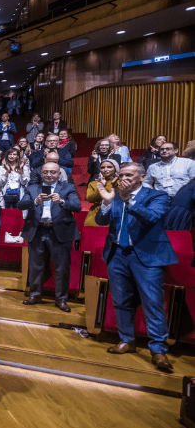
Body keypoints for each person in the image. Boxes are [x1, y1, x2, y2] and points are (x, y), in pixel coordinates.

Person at [96, 162, 177, 372]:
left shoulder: (157, 196)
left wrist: (128, 199)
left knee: (153, 302)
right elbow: (101, 221)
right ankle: (126, 340)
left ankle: (158, 350)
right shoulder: (115, 195)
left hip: (148, 255)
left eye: (129, 175)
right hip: (117, 254)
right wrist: (106, 202)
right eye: (121, 175)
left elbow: (152, 217)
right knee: (121, 300)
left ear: (142, 177)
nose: (123, 179)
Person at [17, 162, 81, 311]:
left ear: (59, 174)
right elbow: (21, 205)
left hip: (60, 232)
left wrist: (62, 201)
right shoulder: (33, 188)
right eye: (45, 172)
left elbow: (77, 206)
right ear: (41, 173)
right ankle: (35, 295)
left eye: (53, 172)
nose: (49, 175)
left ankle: (61, 300)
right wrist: (35, 201)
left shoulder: (68, 188)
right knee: (35, 266)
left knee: (62, 268)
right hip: (37, 230)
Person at [85, 159, 118, 227]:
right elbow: (90, 199)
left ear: (115, 168)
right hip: (96, 212)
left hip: (116, 212)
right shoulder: (93, 183)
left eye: (109, 167)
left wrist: (115, 185)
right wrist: (101, 186)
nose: (105, 170)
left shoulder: (120, 182)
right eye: (102, 167)